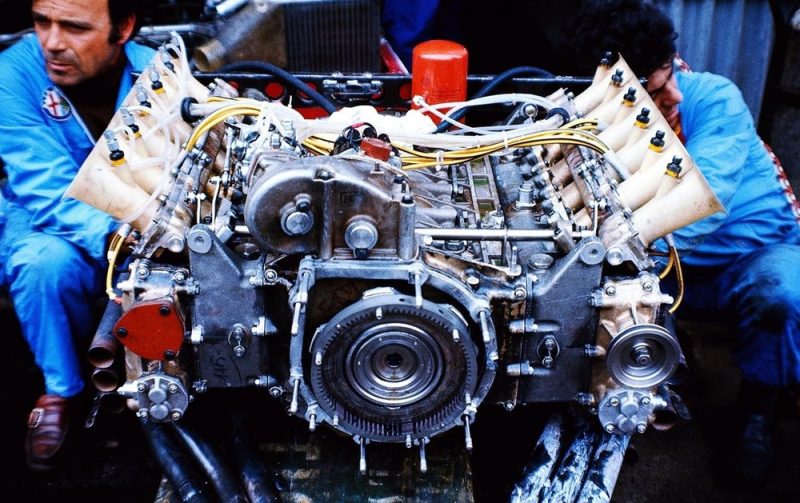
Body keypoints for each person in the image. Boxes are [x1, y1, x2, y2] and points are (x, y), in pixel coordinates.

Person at [570, 0, 800, 486]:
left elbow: (698, 206)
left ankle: (759, 408)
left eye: (671, 72)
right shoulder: (598, 115)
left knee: (780, 297)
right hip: (673, 266)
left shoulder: (716, 98)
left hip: (753, 256)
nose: (673, 92)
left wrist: (615, 259)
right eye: (656, 89)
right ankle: (653, 373)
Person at [0, 0, 154, 471]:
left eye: (74, 27)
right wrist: (119, 240)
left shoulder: (155, 72)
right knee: (44, 266)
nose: (52, 42)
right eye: (42, 22)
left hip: (132, 218)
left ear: (122, 28)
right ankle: (61, 390)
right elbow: (43, 184)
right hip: (43, 217)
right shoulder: (12, 75)